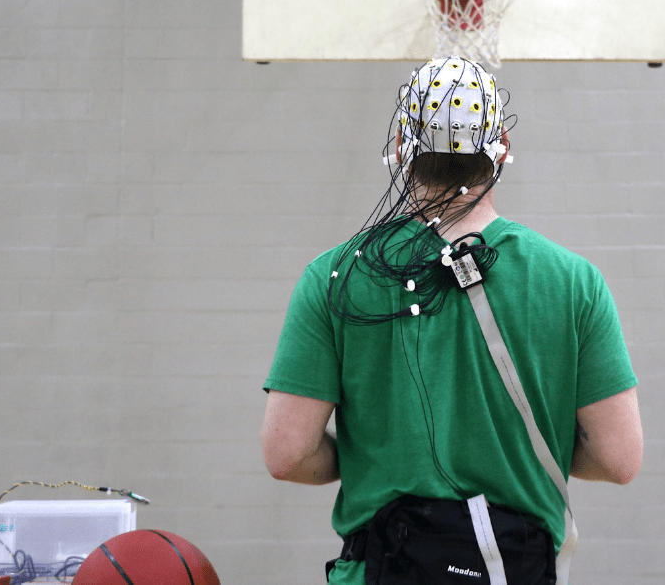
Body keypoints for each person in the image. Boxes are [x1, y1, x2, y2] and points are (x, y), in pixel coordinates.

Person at [261, 57, 643, 585]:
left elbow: (287, 454)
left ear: (400, 146)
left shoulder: (334, 277)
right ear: (502, 146)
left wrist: (367, 456)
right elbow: (620, 458)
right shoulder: (575, 281)